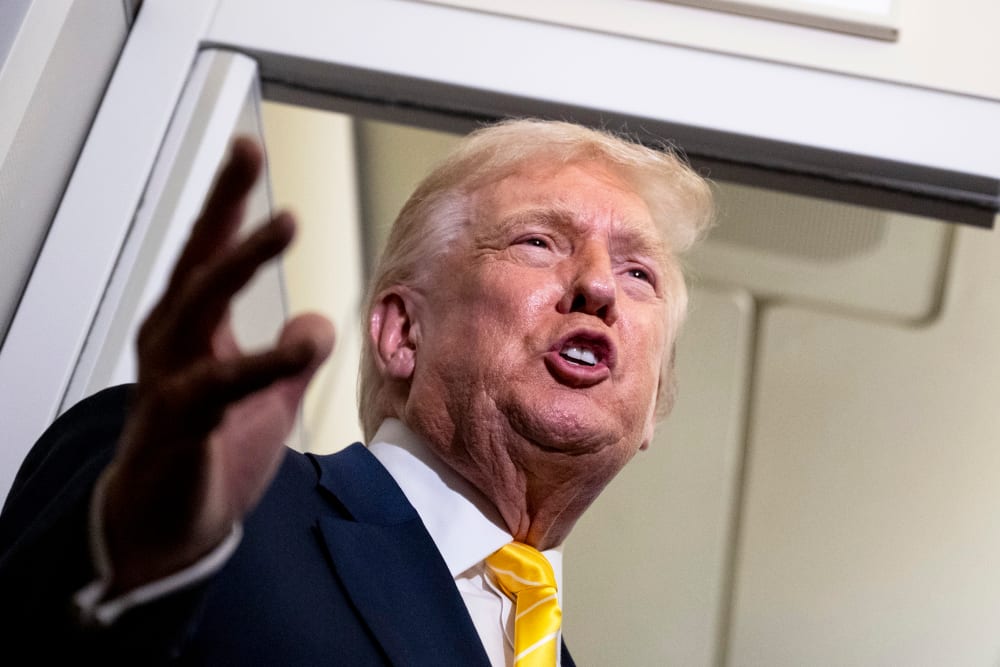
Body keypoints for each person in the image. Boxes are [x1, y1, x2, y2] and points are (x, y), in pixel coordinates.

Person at [0, 119, 713, 665]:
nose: (596, 286)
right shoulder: (211, 497)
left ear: (654, 407)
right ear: (402, 332)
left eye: (638, 274)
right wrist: (128, 565)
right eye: (538, 241)